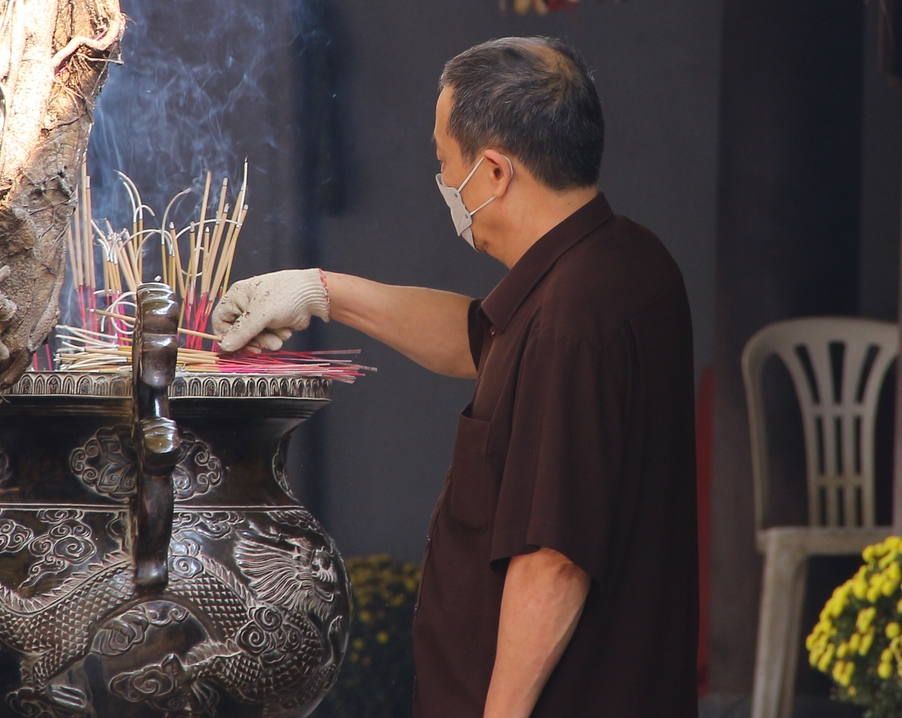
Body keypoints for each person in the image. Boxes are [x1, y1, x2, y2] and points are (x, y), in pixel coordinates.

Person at [211, 37, 698, 718]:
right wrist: (320, 290)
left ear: (494, 172)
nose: (442, 181)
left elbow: (553, 556)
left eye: (445, 163)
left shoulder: (570, 320)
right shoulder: (628, 262)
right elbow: (481, 338)